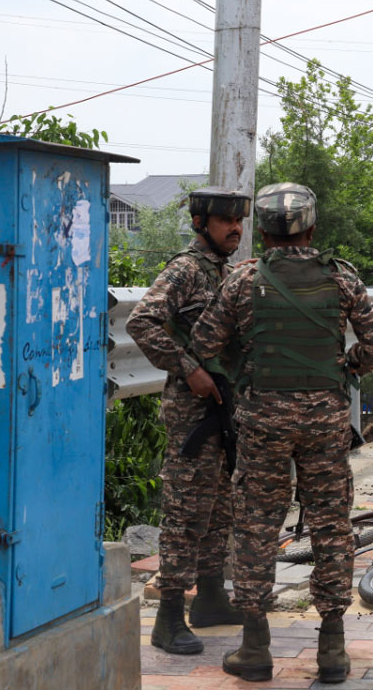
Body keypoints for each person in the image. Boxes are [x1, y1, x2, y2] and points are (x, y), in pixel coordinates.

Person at [191, 182, 373, 684]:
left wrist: (248, 366)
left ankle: (256, 646)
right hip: (326, 421)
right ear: (312, 228)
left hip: (263, 419)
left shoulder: (241, 281)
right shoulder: (342, 280)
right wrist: (346, 366)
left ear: (261, 233)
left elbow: (203, 341)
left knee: (258, 525)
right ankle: (331, 648)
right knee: (330, 524)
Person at [125, 187, 252, 655]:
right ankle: (168, 617)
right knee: (185, 513)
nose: (234, 229)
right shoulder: (185, 270)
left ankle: (212, 598)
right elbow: (142, 322)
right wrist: (187, 367)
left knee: (221, 507)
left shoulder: (229, 273)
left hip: (225, 408)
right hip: (192, 412)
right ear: (202, 224)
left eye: (239, 221)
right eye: (224, 222)